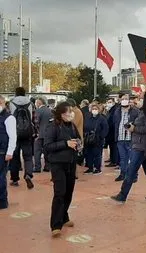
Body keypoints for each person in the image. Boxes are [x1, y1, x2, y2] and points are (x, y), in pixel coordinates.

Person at [44, 102, 81, 237]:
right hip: (58, 164)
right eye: (68, 112)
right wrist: (65, 143)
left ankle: (64, 216)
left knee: (69, 192)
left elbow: (78, 138)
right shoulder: (53, 126)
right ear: (61, 114)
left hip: (71, 163)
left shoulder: (72, 125)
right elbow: (47, 146)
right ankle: (56, 224)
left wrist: (79, 144)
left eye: (71, 112)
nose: (70, 114)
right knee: (60, 192)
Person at [111, 108, 146, 202]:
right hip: (140, 145)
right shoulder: (141, 112)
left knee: (131, 170)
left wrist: (134, 128)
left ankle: (122, 195)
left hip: (141, 146)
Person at [9, 87, 34, 189]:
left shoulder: (12, 102)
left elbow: (10, 116)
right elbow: (31, 118)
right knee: (28, 156)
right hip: (27, 132)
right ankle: (28, 174)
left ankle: (15, 179)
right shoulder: (29, 103)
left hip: (15, 132)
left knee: (14, 156)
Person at [113, 95, 139, 181]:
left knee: (132, 158)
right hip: (120, 137)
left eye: (126, 99)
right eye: (122, 99)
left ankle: (133, 175)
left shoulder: (135, 111)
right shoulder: (117, 111)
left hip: (130, 138)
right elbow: (115, 123)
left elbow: (138, 123)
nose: (124, 100)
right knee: (123, 158)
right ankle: (122, 173)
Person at [0, 95, 16, 210]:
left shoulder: (9, 118)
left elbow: (13, 136)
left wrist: (10, 152)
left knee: (1, 177)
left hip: (2, 151)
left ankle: (2, 201)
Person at [83, 103, 109, 175]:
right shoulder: (88, 117)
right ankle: (90, 167)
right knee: (89, 154)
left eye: (96, 109)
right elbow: (84, 126)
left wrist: (101, 137)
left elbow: (105, 129)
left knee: (97, 154)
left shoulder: (102, 118)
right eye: (93, 109)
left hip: (98, 139)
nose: (94, 110)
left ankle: (97, 168)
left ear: (99, 110)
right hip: (88, 139)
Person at [33, 97, 53, 173]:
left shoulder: (38, 111)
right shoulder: (50, 111)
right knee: (47, 151)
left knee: (37, 151)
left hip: (40, 134)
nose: (35, 104)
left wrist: (37, 133)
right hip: (48, 134)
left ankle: (37, 167)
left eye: (36, 103)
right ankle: (47, 167)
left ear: (39, 103)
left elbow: (36, 122)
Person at [105, 98, 119, 167]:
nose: (108, 103)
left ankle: (114, 161)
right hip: (110, 131)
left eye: (110, 102)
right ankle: (111, 159)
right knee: (111, 147)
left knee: (113, 147)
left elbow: (112, 121)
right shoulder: (110, 110)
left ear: (113, 102)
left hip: (112, 131)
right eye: (108, 102)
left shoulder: (114, 110)